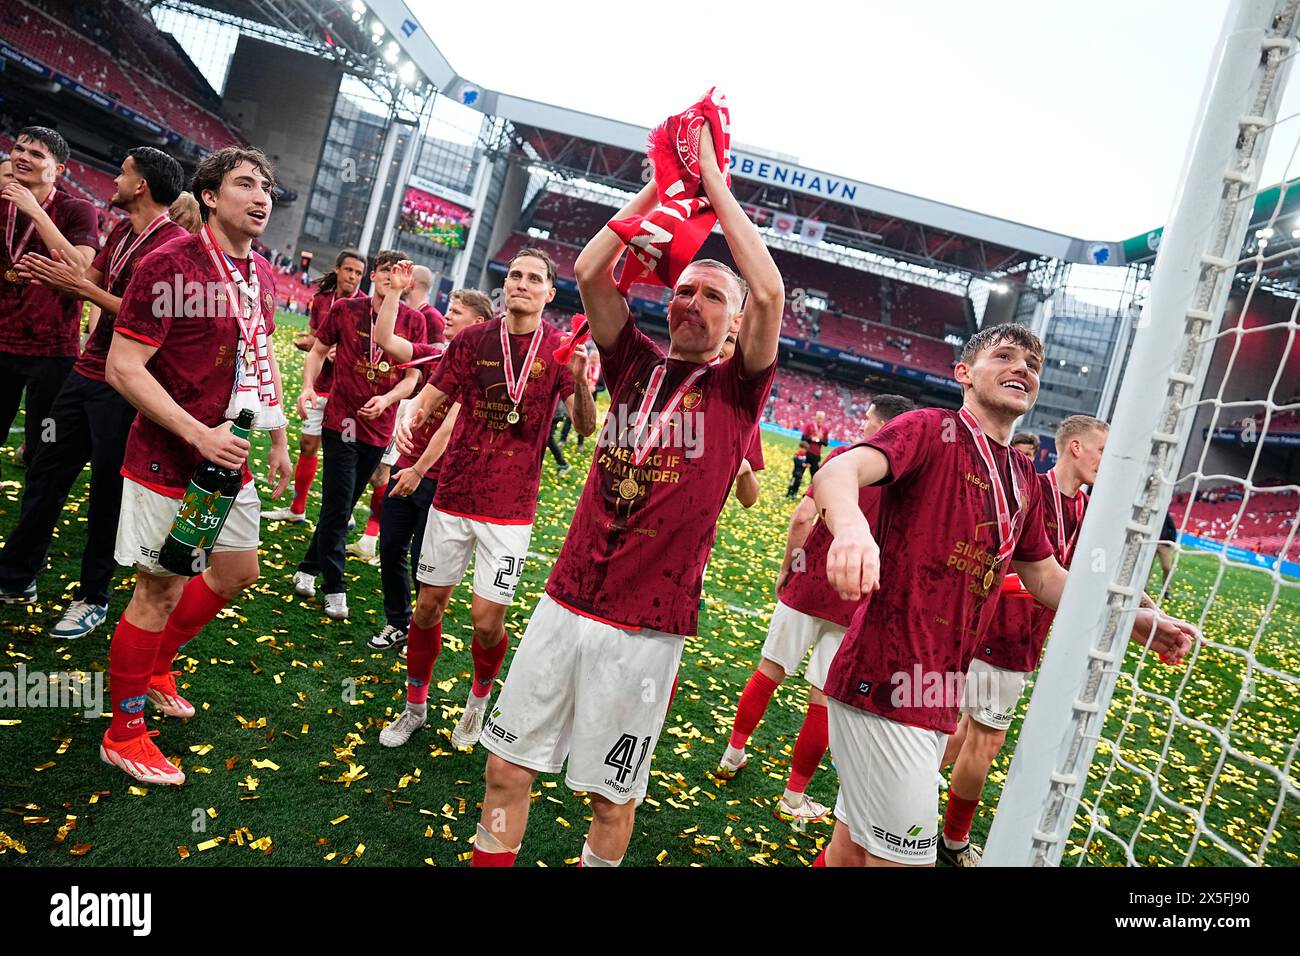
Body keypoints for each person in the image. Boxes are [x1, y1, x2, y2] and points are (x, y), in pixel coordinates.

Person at [467, 123, 784, 868]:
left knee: (610, 800)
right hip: (565, 597)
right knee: (505, 770)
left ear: (735, 323)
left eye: (711, 296)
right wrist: (665, 188)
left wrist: (711, 176)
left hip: (646, 628)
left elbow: (768, 287)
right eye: (683, 290)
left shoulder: (739, 387)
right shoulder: (634, 361)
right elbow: (591, 267)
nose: (692, 303)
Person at [810, 324, 1196, 867]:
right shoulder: (929, 428)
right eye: (1005, 356)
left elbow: (1045, 580)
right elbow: (840, 469)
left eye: (1032, 364)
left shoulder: (1022, 474)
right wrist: (851, 529)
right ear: (964, 374)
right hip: (886, 683)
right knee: (901, 861)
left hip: (938, 689)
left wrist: (1131, 617)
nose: (1023, 368)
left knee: (850, 852)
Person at [99, 146, 292, 785]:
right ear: (209, 196)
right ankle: (123, 731)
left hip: (228, 461)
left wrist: (278, 439)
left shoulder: (261, 274)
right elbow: (122, 367)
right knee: (159, 588)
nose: (261, 197)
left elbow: (258, 364)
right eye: (245, 185)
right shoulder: (170, 264)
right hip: (167, 458)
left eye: (266, 188)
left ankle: (156, 666)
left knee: (237, 570)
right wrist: (195, 432)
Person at [376, 246, 595, 750]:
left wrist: (581, 379)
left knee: (486, 619)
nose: (520, 283)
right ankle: (415, 707)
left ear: (548, 292)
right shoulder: (473, 340)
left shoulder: (561, 350)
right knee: (427, 607)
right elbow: (433, 398)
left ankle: (477, 706)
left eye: (532, 277)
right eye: (514, 275)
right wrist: (409, 421)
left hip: (510, 510)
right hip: (453, 495)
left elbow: (585, 427)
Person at [0, 147, 186, 638]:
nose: (115, 179)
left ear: (141, 185)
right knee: (45, 469)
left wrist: (83, 291)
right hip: (86, 372)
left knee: (106, 494)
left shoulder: (175, 246)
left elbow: (148, 316)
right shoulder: (124, 232)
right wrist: (65, 275)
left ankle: (93, 597)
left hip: (126, 385)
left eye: (123, 172)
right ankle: (17, 576)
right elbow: (90, 279)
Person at [718, 395, 915, 823]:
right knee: (822, 699)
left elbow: (802, 518)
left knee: (769, 670)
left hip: (809, 586)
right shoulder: (905, 482)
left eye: (866, 418)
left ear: (880, 425)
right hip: (854, 598)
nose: (861, 424)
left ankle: (732, 754)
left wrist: (789, 566)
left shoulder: (845, 459)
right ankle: (793, 798)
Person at [938, 414, 1108, 867]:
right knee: (985, 741)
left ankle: (901, 796)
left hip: (1026, 640)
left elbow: (1102, 575)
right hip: (999, 634)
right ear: (1075, 447)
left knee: (962, 730)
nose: (1105, 464)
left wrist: (1148, 611)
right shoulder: (1031, 490)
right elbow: (999, 561)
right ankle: (953, 841)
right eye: (1102, 453)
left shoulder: (1089, 508)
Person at [291, 251, 424, 620]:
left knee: (344, 506)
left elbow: (412, 378)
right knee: (337, 504)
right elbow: (318, 351)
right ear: (374, 276)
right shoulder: (347, 310)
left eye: (397, 273)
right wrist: (307, 386)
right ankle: (335, 587)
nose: (388, 277)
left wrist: (388, 398)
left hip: (379, 426)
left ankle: (307, 568)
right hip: (341, 420)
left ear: (406, 281)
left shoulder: (412, 321)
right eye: (383, 271)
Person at [366, 283, 493, 652]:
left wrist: (418, 470)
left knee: (427, 563)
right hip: (408, 468)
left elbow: (452, 426)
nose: (447, 315)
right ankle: (397, 622)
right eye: (449, 308)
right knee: (389, 547)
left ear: (478, 322)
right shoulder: (436, 354)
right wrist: (393, 292)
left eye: (457, 311)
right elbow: (386, 338)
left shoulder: (482, 370)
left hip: (441, 481)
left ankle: (421, 629)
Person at [0, 128, 99, 476]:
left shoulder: (78, 209)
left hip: (51, 349)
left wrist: (36, 212)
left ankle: (35, 502)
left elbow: (80, 267)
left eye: (37, 154)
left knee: (45, 439)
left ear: (58, 170)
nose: (23, 156)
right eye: (18, 148)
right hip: (1, 340)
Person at [345, 264, 447, 561]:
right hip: (403, 400)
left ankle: (376, 537)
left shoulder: (431, 319)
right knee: (381, 473)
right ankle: (371, 536)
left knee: (386, 473)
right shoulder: (403, 312)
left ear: (411, 283)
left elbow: (429, 372)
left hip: (411, 403)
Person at [263, 250, 366, 524]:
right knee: (308, 445)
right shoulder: (321, 300)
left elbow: (369, 352)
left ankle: (345, 511)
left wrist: (340, 352)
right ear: (338, 269)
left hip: (348, 392)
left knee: (343, 452)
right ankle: (297, 509)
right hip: (320, 385)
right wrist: (308, 343)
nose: (353, 277)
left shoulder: (366, 308)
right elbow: (317, 339)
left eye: (358, 273)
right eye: (349, 270)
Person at [786, 409, 829, 497]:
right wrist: (811, 439)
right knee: (798, 474)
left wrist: (820, 440)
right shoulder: (809, 425)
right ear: (815, 417)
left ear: (824, 418)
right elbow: (803, 438)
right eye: (818, 417)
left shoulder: (825, 429)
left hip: (816, 456)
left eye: (821, 418)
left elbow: (826, 443)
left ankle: (809, 496)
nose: (820, 419)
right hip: (806, 454)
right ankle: (791, 493)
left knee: (815, 477)